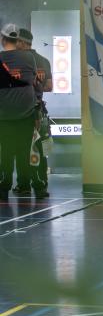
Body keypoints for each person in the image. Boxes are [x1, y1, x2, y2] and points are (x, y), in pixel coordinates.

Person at [0, 24, 38, 202]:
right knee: (24, 151)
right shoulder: (29, 58)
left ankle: (4, 186)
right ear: (18, 41)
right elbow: (33, 80)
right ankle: (24, 186)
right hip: (26, 114)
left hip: (4, 116)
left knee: (6, 152)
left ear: (3, 40)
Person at [15, 28, 52, 198]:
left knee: (21, 149)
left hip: (21, 113)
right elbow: (49, 87)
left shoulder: (17, 61)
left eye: (16, 41)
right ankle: (41, 183)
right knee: (38, 149)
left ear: (22, 42)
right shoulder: (44, 60)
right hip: (38, 111)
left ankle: (24, 185)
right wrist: (38, 88)